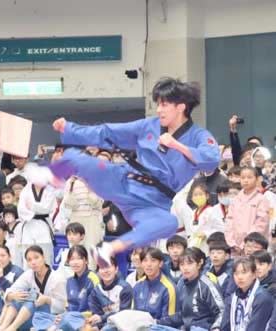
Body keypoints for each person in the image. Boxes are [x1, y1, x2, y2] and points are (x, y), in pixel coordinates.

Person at [28, 78, 221, 267]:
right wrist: (70, 129)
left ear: (181, 107)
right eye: (158, 105)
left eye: (164, 105)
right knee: (75, 157)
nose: (159, 110)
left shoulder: (198, 136)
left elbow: (211, 159)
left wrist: (177, 145)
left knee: (169, 223)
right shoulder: (149, 126)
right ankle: (49, 175)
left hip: (152, 203)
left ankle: (109, 249)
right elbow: (108, 133)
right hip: (123, 181)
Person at [0, 245, 66, 331]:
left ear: (43, 257)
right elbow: (11, 290)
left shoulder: (57, 278)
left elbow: (62, 306)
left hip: (50, 318)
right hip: (30, 317)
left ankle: (11, 328)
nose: (33, 262)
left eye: (36, 257)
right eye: (29, 260)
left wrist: (46, 299)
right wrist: (13, 296)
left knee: (32, 297)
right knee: (19, 296)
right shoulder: (29, 274)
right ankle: (3, 327)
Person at [158, 248, 224, 330]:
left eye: (190, 263)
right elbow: (182, 315)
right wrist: (158, 322)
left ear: (199, 264)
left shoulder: (207, 285)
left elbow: (222, 312)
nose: (185, 268)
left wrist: (216, 328)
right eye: (182, 264)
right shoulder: (181, 284)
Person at [220, 257, 273, 330]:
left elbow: (256, 328)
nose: (240, 277)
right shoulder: (232, 298)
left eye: (244, 272)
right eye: (236, 273)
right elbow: (225, 325)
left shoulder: (263, 298)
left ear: (254, 274)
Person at [132, 248, 178, 321]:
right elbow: (132, 313)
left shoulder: (169, 288)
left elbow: (170, 320)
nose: (148, 264)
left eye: (153, 260)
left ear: (160, 264)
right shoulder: (137, 285)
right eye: (145, 260)